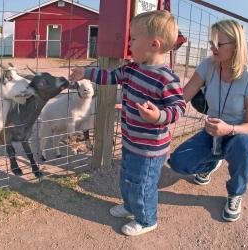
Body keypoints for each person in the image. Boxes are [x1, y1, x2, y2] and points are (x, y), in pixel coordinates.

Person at [70, 10, 186, 236]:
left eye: (133, 39)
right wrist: (87, 72)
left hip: (151, 148)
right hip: (131, 140)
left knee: (142, 184)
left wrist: (158, 116)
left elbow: (179, 107)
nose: (129, 43)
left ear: (153, 44)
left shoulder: (167, 79)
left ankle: (147, 219)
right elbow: (110, 77)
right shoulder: (131, 69)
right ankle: (131, 206)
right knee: (127, 177)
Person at [169, 19, 248, 222]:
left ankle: (235, 194)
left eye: (217, 44)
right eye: (211, 43)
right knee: (177, 163)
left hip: (236, 134)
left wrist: (228, 128)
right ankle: (211, 164)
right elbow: (184, 96)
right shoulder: (208, 65)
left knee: (246, 145)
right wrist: (162, 113)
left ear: (236, 46)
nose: (211, 48)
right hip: (210, 132)